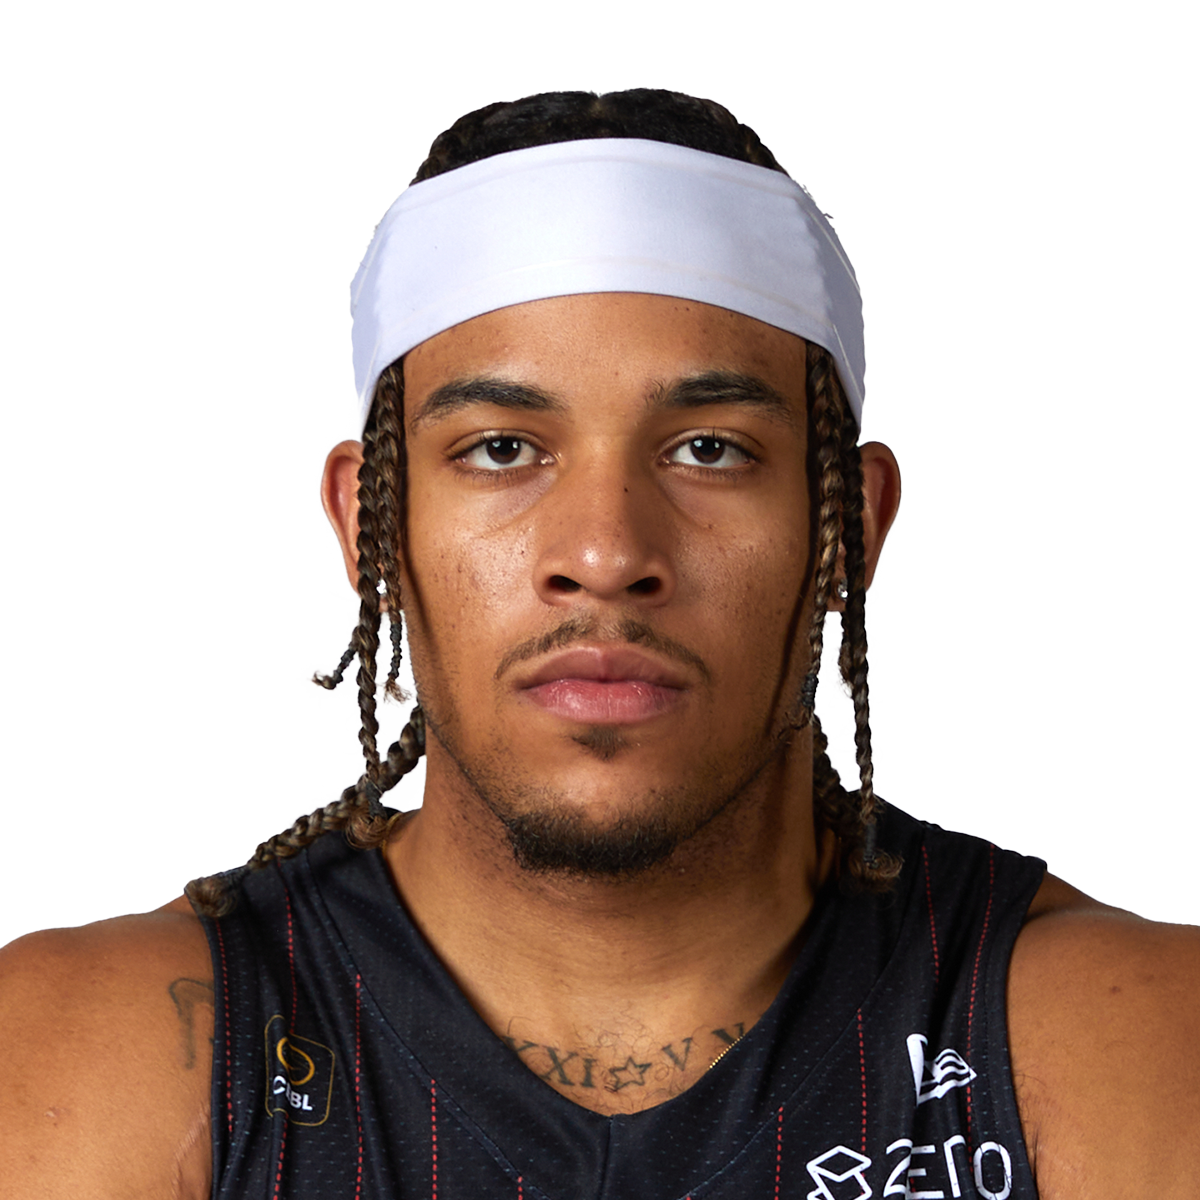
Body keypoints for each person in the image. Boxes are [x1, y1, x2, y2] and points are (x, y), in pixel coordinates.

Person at [1, 89, 1197, 1200]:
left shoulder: (1125, 1034)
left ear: (850, 524)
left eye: (710, 449)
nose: (607, 550)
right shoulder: (108, 1045)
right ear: (371, 525)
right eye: (502, 450)